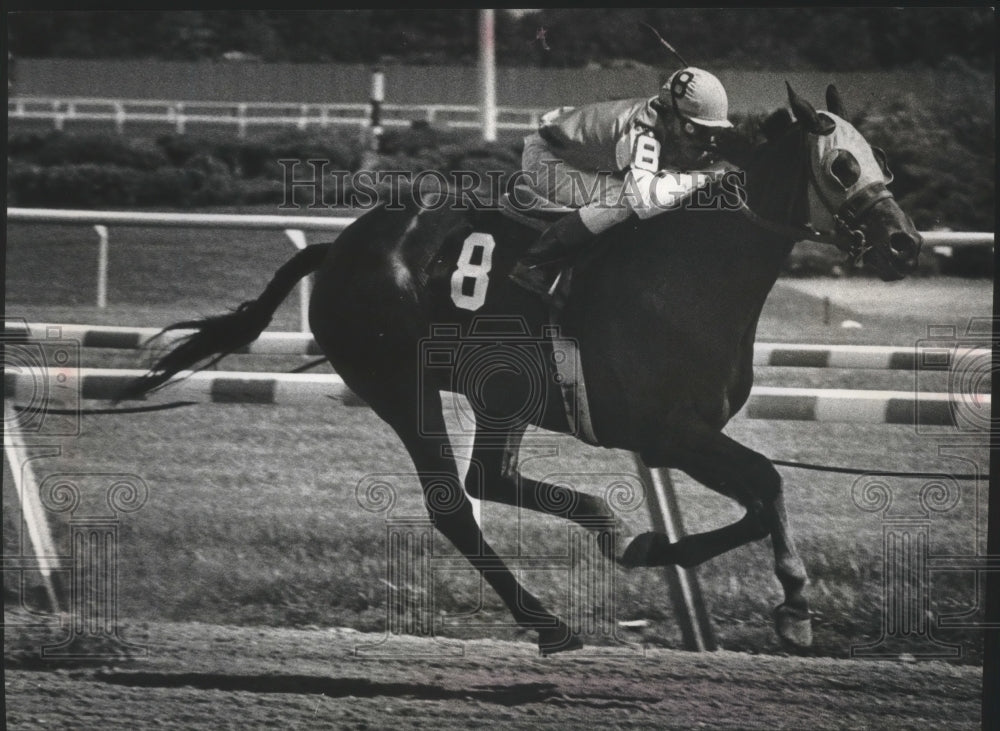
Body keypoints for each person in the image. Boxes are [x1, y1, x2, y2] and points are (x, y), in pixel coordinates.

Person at [508, 66, 735, 297]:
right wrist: (707, 176)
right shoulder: (643, 129)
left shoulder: (666, 118)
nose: (704, 140)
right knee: (623, 199)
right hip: (546, 160)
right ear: (671, 115)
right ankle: (537, 262)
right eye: (695, 129)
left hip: (581, 159)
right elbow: (645, 203)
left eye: (711, 131)